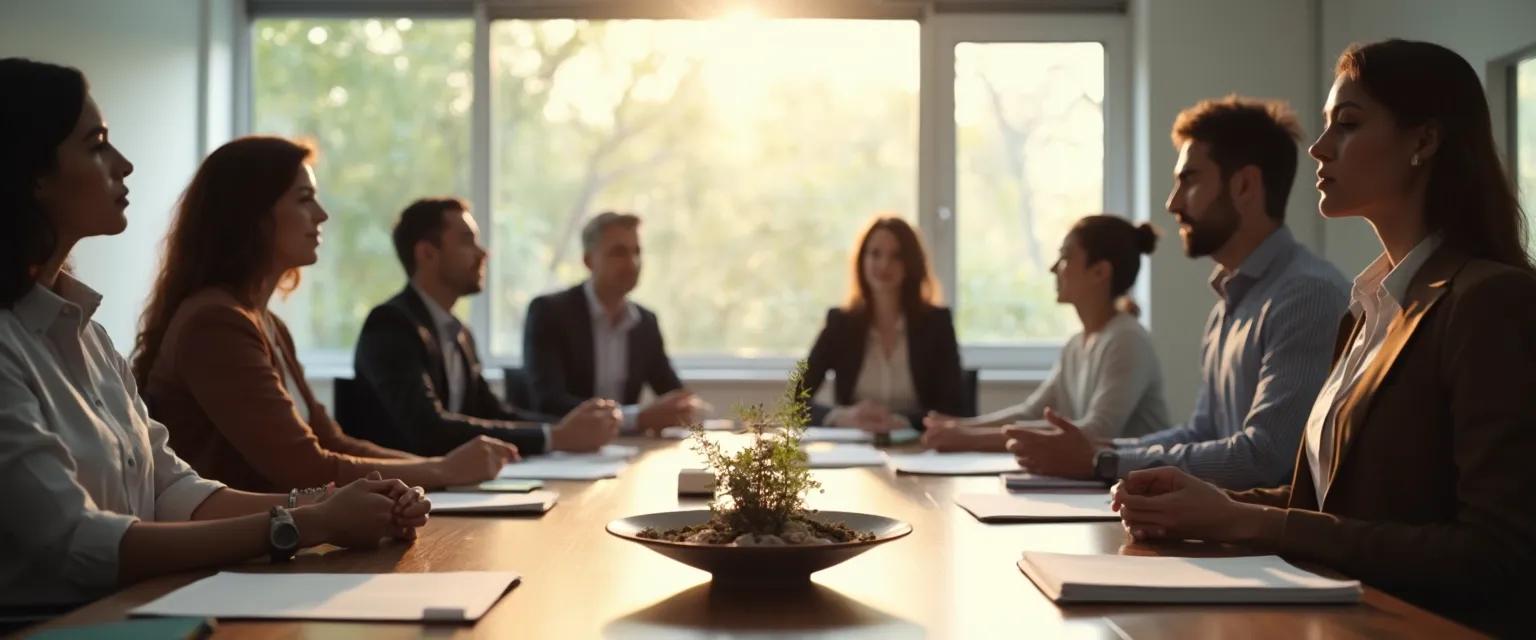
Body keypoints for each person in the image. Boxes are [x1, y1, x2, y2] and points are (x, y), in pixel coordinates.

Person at [1112, 40, 1536, 636]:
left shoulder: (1488, 301)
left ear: (1424, 141)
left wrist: (1247, 523)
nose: (1317, 147)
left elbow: (1497, 554)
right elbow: (1330, 506)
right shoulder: (1368, 308)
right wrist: (1209, 505)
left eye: (1349, 124)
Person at [0, 59, 428, 609]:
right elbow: (78, 541)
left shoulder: (87, 333)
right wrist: (307, 522)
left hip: (144, 607)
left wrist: (332, 505)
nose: (125, 164)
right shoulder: (18, 342)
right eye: (97, 144)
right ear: (33, 172)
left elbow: (173, 490)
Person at [133, 137, 516, 493]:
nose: (322, 214)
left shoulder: (268, 323)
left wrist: (440, 468)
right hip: (236, 554)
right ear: (251, 215)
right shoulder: (215, 324)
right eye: (304, 199)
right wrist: (443, 471)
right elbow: (304, 468)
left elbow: (331, 441)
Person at [1005, 96, 1349, 489]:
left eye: (1189, 179)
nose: (1172, 203)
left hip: (1274, 549)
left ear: (1244, 186)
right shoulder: (1228, 306)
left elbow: (1264, 457)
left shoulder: (1306, 296)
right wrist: (1101, 448)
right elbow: (1201, 433)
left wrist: (1103, 460)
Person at [351, 197, 620, 455]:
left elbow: (492, 413)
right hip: (402, 494)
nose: (484, 253)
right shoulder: (390, 325)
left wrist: (563, 429)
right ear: (427, 254)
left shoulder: (460, 334)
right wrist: (556, 437)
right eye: (468, 241)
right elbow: (428, 428)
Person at [923, 215, 1169, 451]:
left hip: (1137, 486)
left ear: (1100, 272)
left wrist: (969, 439)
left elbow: (1095, 432)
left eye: (1065, 257)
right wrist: (958, 426)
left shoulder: (1126, 340)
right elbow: (1032, 411)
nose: (1054, 268)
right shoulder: (1076, 344)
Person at [523, 212, 697, 434]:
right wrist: (636, 419)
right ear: (588, 260)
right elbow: (548, 402)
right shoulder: (549, 313)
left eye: (637, 252)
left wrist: (683, 408)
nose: (632, 263)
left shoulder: (645, 322)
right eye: (619, 253)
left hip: (625, 450)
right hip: (566, 452)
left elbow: (673, 392)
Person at [799, 216, 965, 432]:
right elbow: (796, 400)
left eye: (896, 256)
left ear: (911, 263)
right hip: (854, 447)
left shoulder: (936, 324)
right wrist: (842, 416)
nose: (884, 264)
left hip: (918, 447)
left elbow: (954, 408)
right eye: (875, 254)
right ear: (862, 260)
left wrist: (904, 422)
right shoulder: (840, 324)